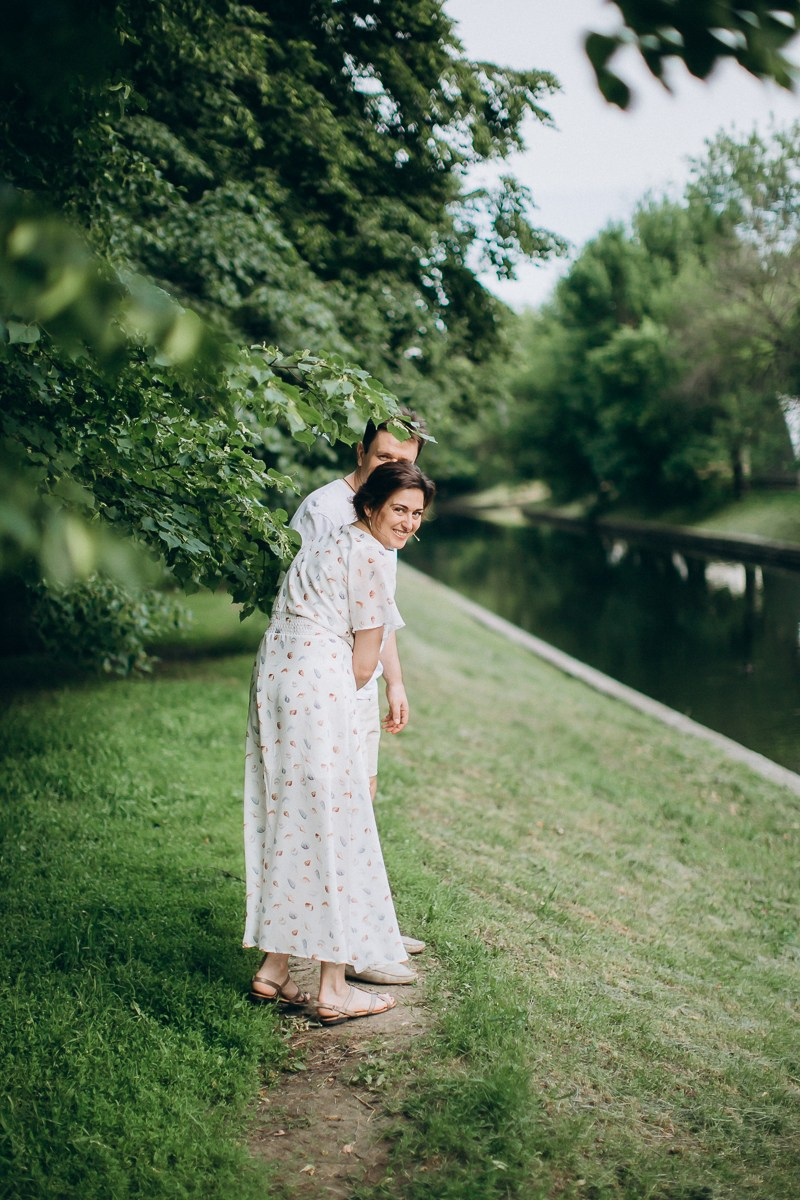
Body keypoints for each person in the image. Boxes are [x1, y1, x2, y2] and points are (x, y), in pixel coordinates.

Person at [243, 461, 436, 1025]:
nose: (407, 523)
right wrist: (336, 700)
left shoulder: (325, 545)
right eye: (399, 509)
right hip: (315, 683)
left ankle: (274, 969)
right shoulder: (374, 557)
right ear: (371, 504)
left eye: (417, 514)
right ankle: (333, 988)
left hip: (273, 676)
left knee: (291, 815)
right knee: (337, 821)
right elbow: (363, 664)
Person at [287, 412, 428, 986]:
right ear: (360, 451)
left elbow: (377, 612)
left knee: (359, 802)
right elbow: (310, 602)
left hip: (358, 676)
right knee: (330, 808)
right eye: (386, 457)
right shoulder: (326, 512)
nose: (396, 468)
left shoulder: (392, 511)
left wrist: (394, 682)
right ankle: (345, 953)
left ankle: (370, 930)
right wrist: (344, 690)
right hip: (327, 679)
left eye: (407, 461)